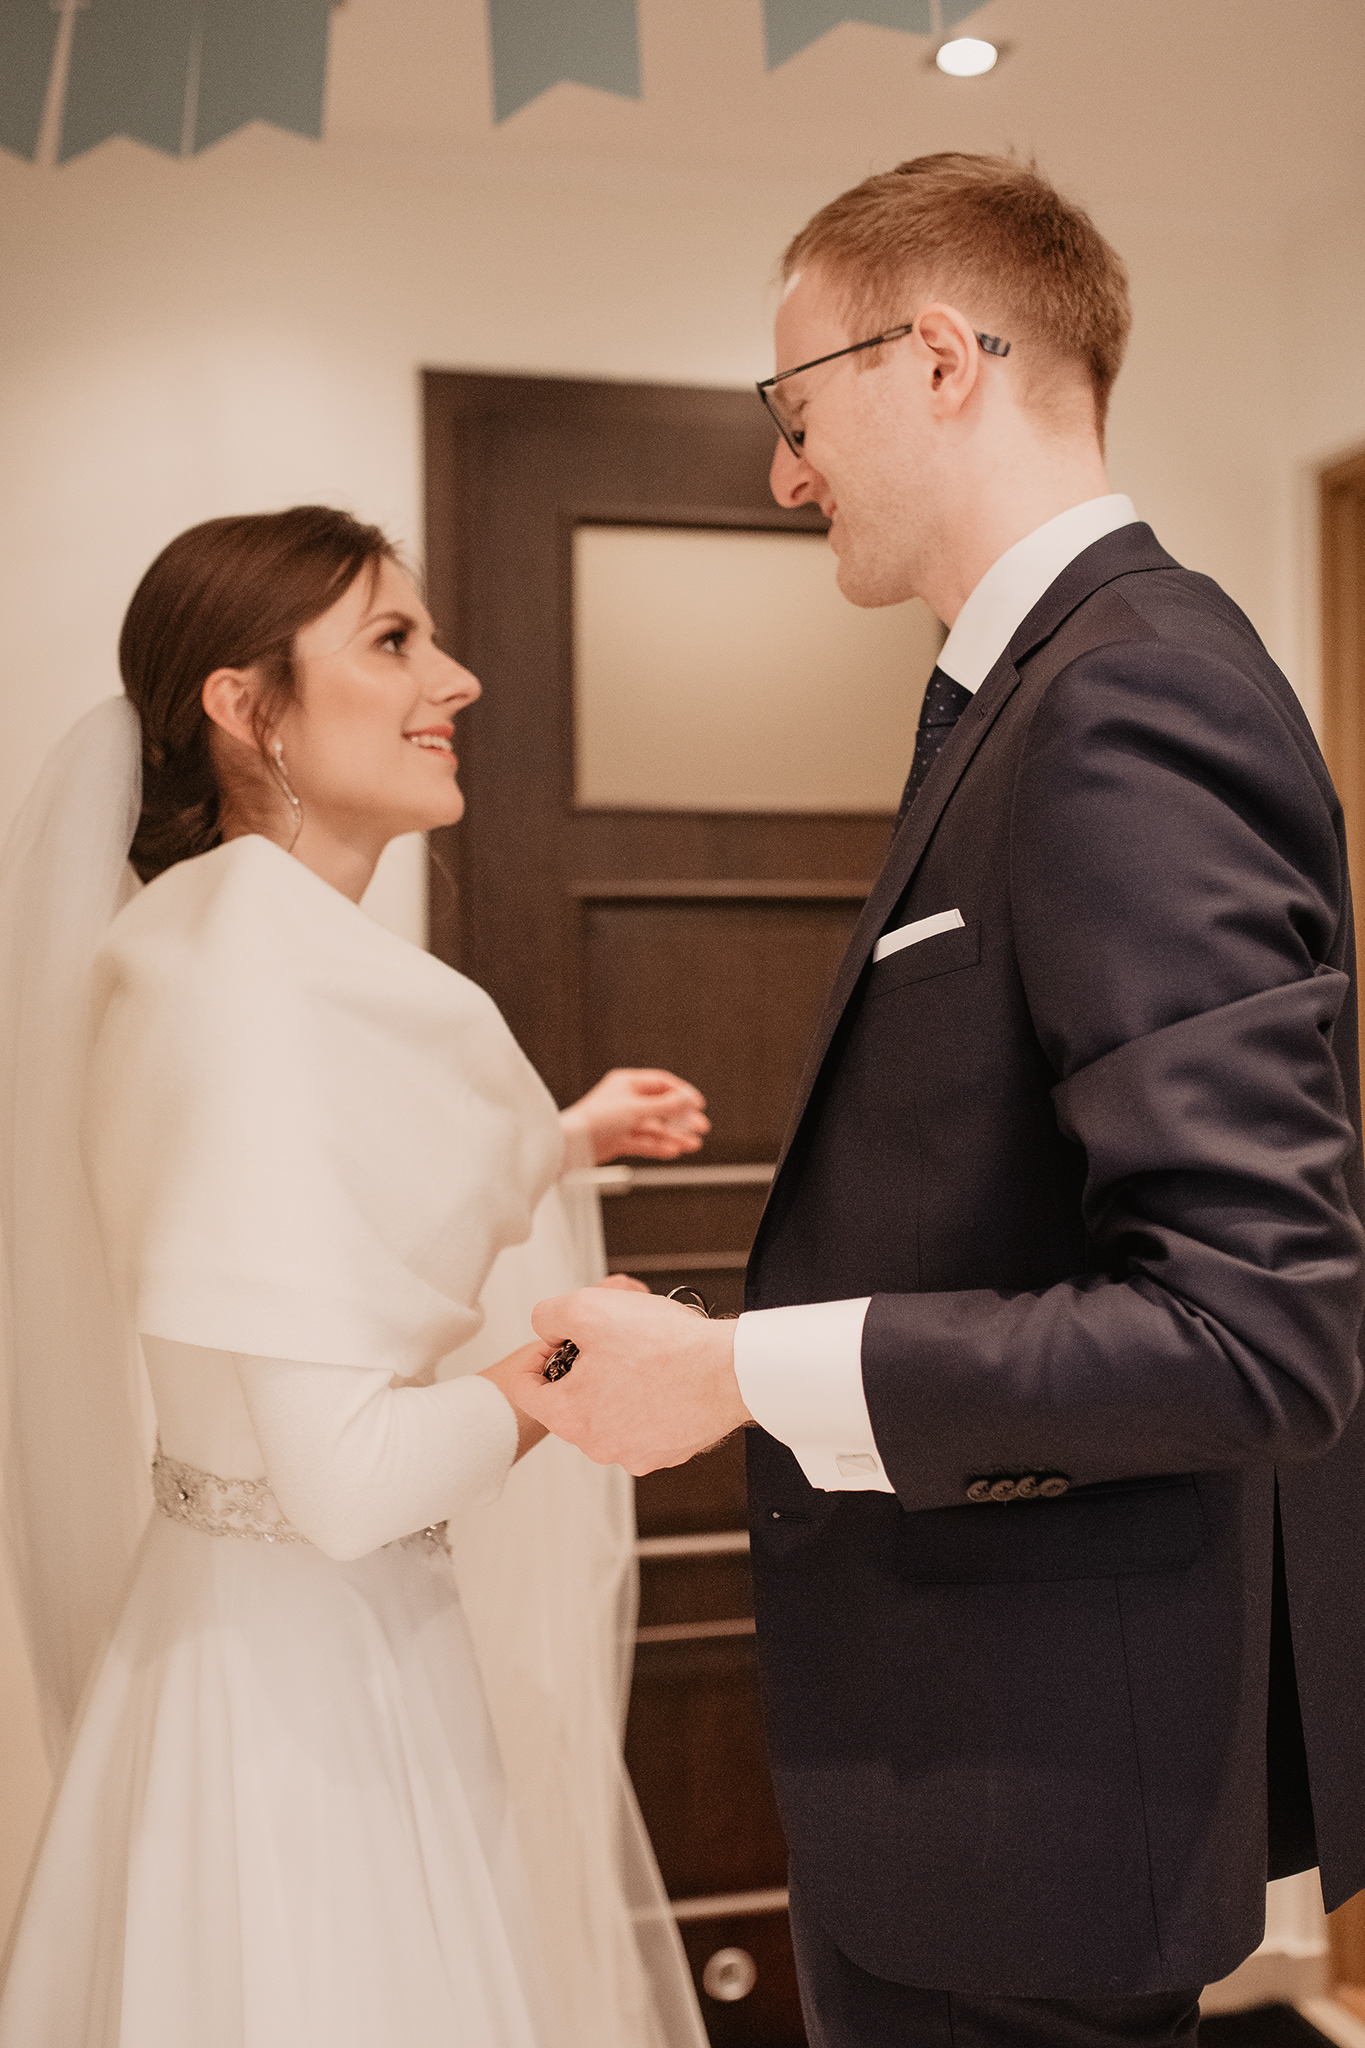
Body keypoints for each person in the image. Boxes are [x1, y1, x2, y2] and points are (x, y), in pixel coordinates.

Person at [516, 154, 1365, 2046]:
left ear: (936, 359)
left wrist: (735, 1373)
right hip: (977, 1773)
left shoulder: (1126, 700)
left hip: (1031, 1800)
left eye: (794, 405)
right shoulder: (1037, 690)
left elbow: (1251, 1333)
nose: (783, 471)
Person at [0, 506, 711, 2048]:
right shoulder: (270, 990)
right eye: (393, 641)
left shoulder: (187, 944)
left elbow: (315, 1211)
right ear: (244, 707)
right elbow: (345, 1480)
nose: (454, 679)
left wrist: (564, 1136)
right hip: (308, 1716)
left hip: (215, 1650)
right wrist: (560, 1371)